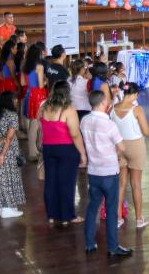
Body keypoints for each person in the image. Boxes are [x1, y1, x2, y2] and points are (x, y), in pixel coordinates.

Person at [80, 90, 132, 257]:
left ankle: (89, 243)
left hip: (94, 171)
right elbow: (122, 147)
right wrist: (120, 152)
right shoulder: (109, 125)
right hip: (109, 171)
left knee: (92, 207)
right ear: (103, 103)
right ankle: (112, 246)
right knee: (111, 209)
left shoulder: (84, 121)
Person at [39, 80, 87, 226]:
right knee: (67, 183)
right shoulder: (69, 109)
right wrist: (83, 153)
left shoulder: (43, 106)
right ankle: (68, 216)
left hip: (48, 148)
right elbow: (75, 134)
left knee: (50, 182)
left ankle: (51, 215)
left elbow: (40, 124)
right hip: (66, 149)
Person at [112, 83, 149, 229]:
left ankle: (118, 217)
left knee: (121, 184)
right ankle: (139, 219)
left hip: (119, 147)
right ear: (135, 94)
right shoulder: (137, 109)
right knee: (136, 184)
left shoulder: (113, 108)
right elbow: (146, 132)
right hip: (135, 146)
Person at [0, 91, 25, 218]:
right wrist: (3, 154)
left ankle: (4, 207)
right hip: (8, 150)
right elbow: (9, 138)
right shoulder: (12, 115)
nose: (16, 101)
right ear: (9, 101)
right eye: (14, 100)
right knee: (10, 178)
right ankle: (8, 208)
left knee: (0, 178)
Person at [22, 44, 47, 161]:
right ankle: (32, 152)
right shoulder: (39, 67)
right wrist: (46, 80)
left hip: (29, 93)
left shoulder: (25, 65)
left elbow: (23, 82)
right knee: (35, 124)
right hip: (38, 95)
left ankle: (34, 150)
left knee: (33, 123)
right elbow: (41, 84)